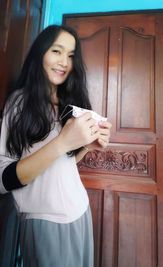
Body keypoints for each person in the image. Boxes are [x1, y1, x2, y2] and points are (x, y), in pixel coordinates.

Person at [0, 24, 112, 266]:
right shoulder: (19, 103)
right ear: (40, 52)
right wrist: (62, 142)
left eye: (71, 56)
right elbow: (3, 179)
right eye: (57, 51)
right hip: (44, 221)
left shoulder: (67, 102)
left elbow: (63, 163)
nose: (64, 62)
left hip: (80, 212)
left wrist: (86, 147)